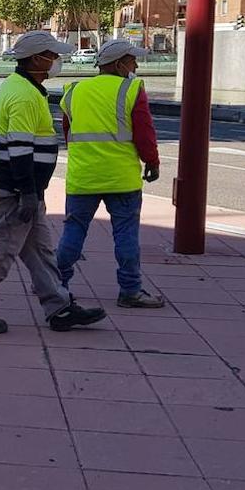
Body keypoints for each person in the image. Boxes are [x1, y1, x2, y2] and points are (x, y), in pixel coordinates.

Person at [0, 31, 108, 334]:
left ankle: (59, 307)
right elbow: (19, 149)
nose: (57, 61)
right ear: (37, 59)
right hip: (15, 191)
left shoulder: (21, 88)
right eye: (52, 55)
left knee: (39, 252)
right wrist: (26, 193)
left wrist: (31, 192)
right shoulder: (23, 95)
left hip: (22, 190)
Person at [55, 39, 163, 308]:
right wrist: (152, 161)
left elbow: (68, 133)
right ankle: (130, 291)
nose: (135, 65)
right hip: (121, 178)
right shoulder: (131, 88)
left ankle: (55, 285)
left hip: (83, 176)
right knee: (125, 234)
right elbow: (144, 131)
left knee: (73, 232)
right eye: (132, 60)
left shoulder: (73, 91)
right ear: (118, 64)